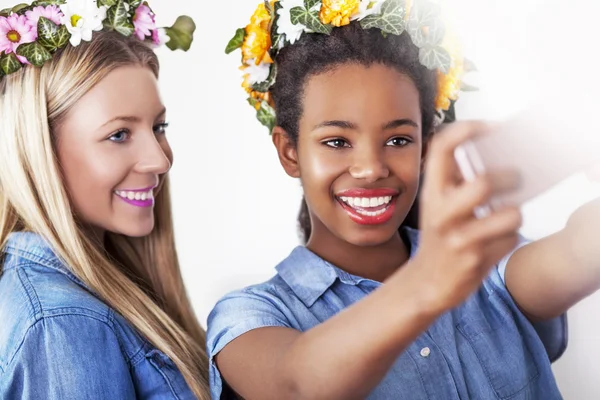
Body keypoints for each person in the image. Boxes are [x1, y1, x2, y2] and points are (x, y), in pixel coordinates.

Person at [208, 0, 600, 398]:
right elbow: (293, 387)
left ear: (425, 148)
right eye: (337, 141)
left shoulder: (487, 262)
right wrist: (426, 282)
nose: (371, 168)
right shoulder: (250, 314)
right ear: (289, 152)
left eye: (398, 140)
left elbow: (582, 251)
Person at [0, 1, 209, 398]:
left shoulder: (82, 296)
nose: (160, 159)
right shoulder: (62, 323)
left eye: (158, 127)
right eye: (118, 135)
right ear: (39, 149)